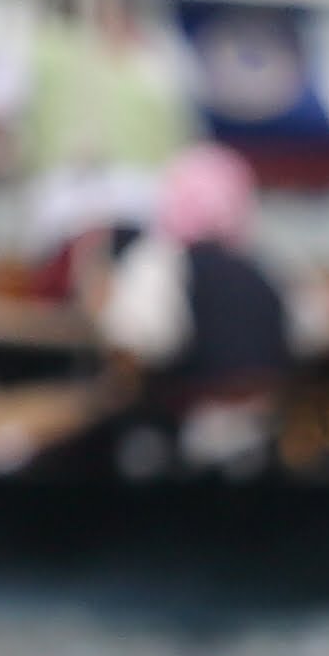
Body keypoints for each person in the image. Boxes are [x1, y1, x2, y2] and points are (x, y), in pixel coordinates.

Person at [77, 144, 311, 476]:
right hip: (269, 432)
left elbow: (141, 338)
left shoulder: (161, 261)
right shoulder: (268, 261)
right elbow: (316, 328)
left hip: (188, 442)